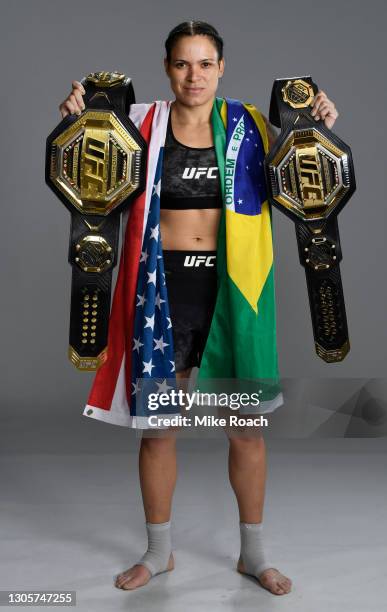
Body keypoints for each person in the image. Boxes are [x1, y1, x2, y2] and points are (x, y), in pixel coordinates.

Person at [59, 21, 338, 597]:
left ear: (222, 67)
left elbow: (309, 173)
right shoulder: (138, 125)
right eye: (183, 64)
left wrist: (318, 127)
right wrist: (74, 121)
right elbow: (86, 172)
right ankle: (159, 553)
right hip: (161, 290)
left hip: (233, 291)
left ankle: (252, 555)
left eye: (205, 63)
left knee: (245, 428)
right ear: (167, 67)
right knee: (159, 429)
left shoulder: (253, 127)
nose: (195, 75)